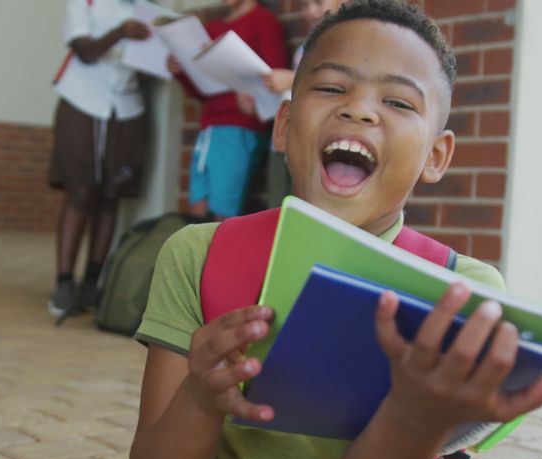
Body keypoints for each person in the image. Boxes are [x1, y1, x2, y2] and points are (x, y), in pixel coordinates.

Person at [130, 1, 542, 459]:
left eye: (398, 101)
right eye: (332, 89)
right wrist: (201, 399)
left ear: (436, 155)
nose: (360, 110)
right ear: (284, 124)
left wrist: (415, 414)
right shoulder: (202, 255)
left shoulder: (459, 295)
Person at [49, 0, 153, 316]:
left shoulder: (149, 11)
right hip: (83, 101)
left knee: (111, 197)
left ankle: (92, 283)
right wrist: (121, 32)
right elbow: (85, 51)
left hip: (127, 108)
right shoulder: (85, 3)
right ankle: (65, 282)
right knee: (80, 192)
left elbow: (149, 66)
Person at [167, 0, 288, 220]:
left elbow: (275, 80)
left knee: (223, 212)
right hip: (209, 128)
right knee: (197, 208)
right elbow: (204, 92)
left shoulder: (263, 20)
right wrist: (181, 72)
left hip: (240, 127)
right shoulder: (212, 28)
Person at [260, 0, 352, 99]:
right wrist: (260, 105)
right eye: (305, 5)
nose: (311, 11)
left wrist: (294, 80)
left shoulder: (354, 44)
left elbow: (345, 83)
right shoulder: (302, 51)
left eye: (318, 3)